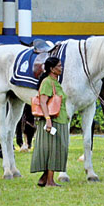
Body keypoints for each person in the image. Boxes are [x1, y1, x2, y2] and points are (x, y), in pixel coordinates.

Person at [31, 57, 70, 187]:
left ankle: (44, 179)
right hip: (53, 120)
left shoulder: (55, 82)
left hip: (61, 120)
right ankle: (50, 181)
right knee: (53, 150)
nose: (61, 68)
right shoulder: (48, 82)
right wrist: (48, 120)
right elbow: (42, 101)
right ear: (52, 69)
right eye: (59, 66)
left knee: (58, 148)